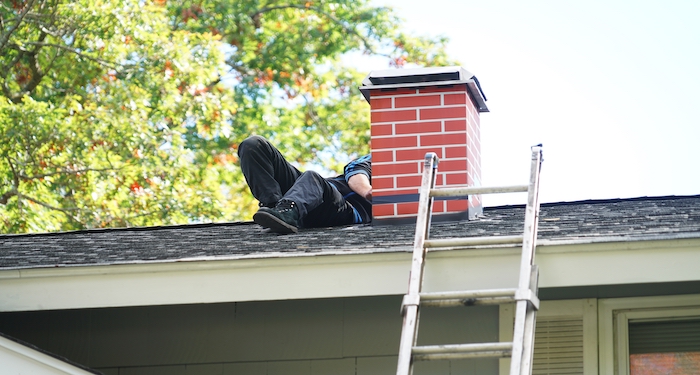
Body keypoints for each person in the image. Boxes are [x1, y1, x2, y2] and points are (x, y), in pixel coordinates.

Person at [238, 135, 372, 234]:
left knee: (312, 178)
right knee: (254, 145)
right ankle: (275, 209)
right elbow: (355, 172)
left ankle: (286, 211)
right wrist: (369, 191)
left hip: (344, 211)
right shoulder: (383, 158)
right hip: (309, 194)